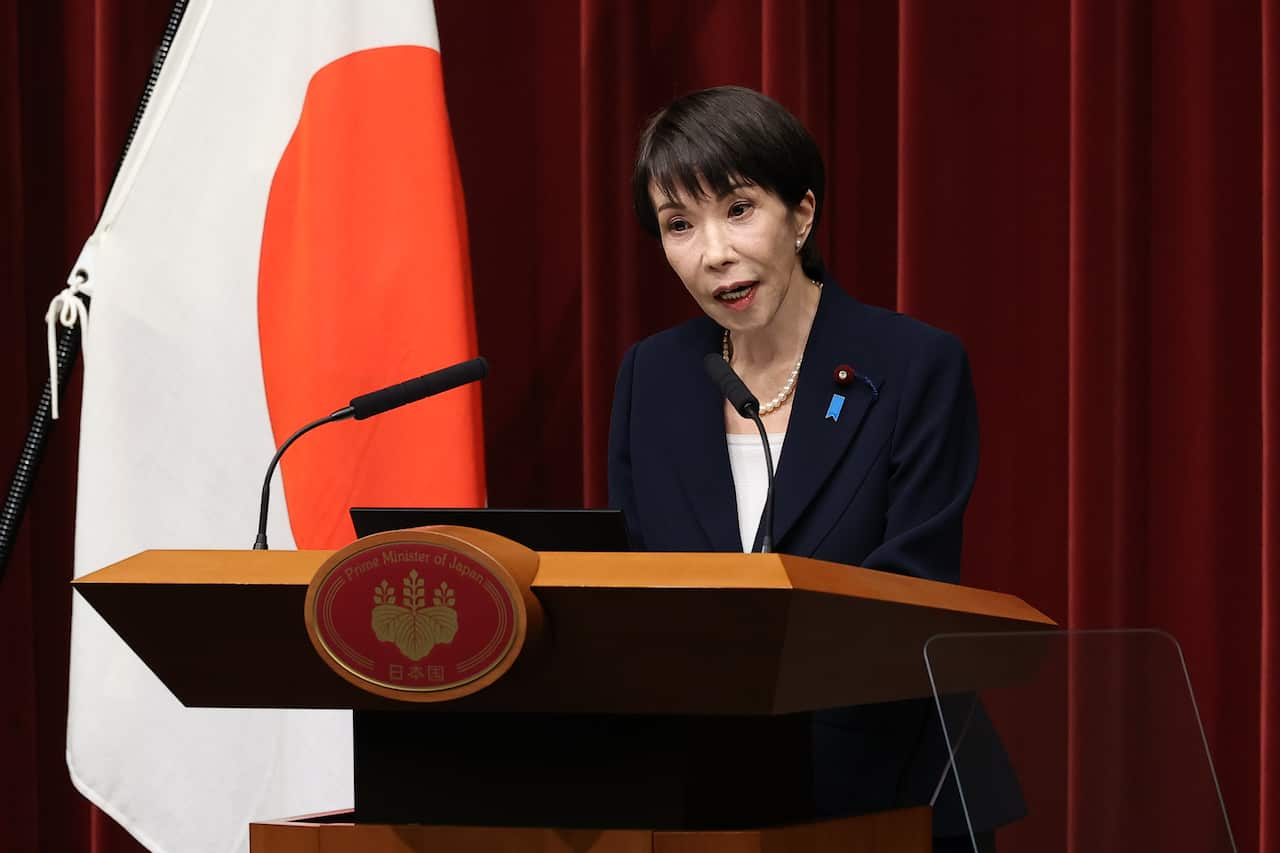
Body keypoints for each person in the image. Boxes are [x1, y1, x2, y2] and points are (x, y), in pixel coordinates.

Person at [608, 85, 1017, 853]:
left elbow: (913, 582)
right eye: (678, 225)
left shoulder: (911, 365)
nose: (714, 252)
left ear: (801, 213)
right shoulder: (652, 378)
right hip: (705, 795)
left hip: (892, 790)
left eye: (738, 208)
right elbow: (633, 579)